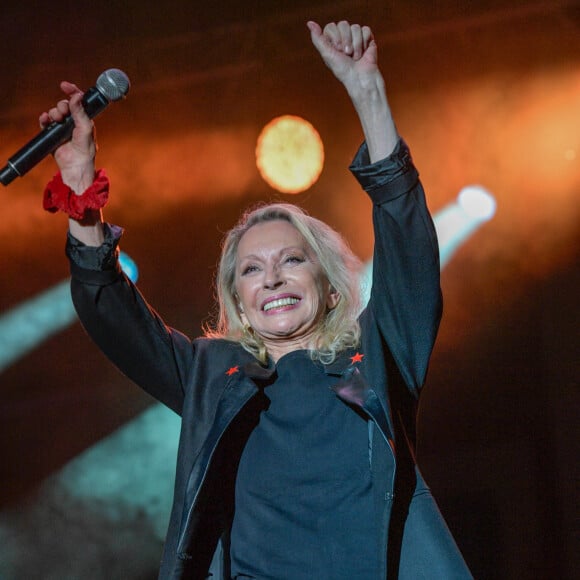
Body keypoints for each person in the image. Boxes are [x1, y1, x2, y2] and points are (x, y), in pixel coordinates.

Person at [42, 20, 473, 580]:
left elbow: (407, 240)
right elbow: (110, 310)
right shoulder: (209, 376)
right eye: (251, 269)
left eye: (291, 260)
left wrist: (367, 93)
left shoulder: (381, 354)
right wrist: (80, 188)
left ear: (329, 282)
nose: (270, 278)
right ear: (239, 302)